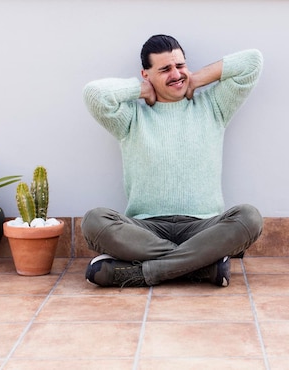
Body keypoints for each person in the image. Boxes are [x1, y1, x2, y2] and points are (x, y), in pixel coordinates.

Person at [81, 34, 263, 288]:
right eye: (165, 69)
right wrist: (141, 90)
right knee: (94, 221)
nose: (176, 74)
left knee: (249, 218)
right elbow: (94, 95)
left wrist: (195, 79)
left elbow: (252, 62)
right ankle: (200, 266)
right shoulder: (131, 118)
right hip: (146, 230)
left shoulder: (214, 106)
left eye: (180, 65)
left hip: (203, 228)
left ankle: (140, 274)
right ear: (146, 74)